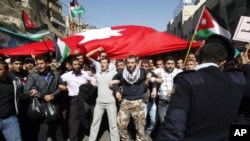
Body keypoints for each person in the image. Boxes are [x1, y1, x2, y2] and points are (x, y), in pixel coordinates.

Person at [156, 34, 250, 141]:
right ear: (223, 62)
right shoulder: (237, 80)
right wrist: (246, 66)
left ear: (198, 53)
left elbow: (173, 125)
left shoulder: (187, 80)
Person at [111, 55, 157, 141]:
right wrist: (116, 91)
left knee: (140, 128)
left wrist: (154, 89)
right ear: (126, 63)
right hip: (125, 102)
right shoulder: (122, 73)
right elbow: (114, 81)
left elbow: (153, 77)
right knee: (121, 125)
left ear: (136, 63)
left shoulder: (142, 71)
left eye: (132, 62)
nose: (130, 64)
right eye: (128, 62)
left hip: (138, 102)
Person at [23, 55, 65, 141]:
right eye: (37, 64)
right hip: (41, 106)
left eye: (41, 63)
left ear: (48, 64)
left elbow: (61, 86)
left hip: (54, 105)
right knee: (44, 130)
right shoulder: (33, 76)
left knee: (58, 130)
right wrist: (40, 95)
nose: (39, 66)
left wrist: (54, 95)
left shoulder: (56, 74)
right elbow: (26, 91)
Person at [61, 58, 96, 141]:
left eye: (78, 64)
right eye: (75, 64)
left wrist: (93, 83)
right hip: (75, 99)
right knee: (73, 120)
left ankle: (88, 132)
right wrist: (63, 87)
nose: (77, 66)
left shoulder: (85, 74)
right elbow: (57, 81)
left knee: (87, 116)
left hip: (85, 99)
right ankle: (73, 139)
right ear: (71, 66)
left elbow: (94, 80)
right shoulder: (66, 75)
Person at [89, 57, 119, 141]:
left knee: (113, 125)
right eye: (101, 63)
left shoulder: (114, 73)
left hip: (111, 102)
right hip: (99, 103)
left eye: (104, 63)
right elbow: (93, 81)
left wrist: (113, 82)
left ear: (108, 64)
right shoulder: (97, 74)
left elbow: (121, 80)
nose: (102, 64)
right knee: (94, 124)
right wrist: (93, 82)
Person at [153, 56, 182, 124]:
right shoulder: (159, 70)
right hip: (162, 102)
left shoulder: (179, 72)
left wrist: (174, 90)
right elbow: (149, 74)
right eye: (168, 63)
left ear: (174, 64)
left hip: (174, 102)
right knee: (163, 122)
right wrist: (155, 79)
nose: (170, 65)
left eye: (172, 64)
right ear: (164, 64)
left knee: (174, 121)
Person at [0, 61, 23, 141]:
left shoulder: (15, 81)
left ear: (6, 71)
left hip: (9, 118)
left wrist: (33, 90)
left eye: (0, 69)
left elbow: (24, 91)